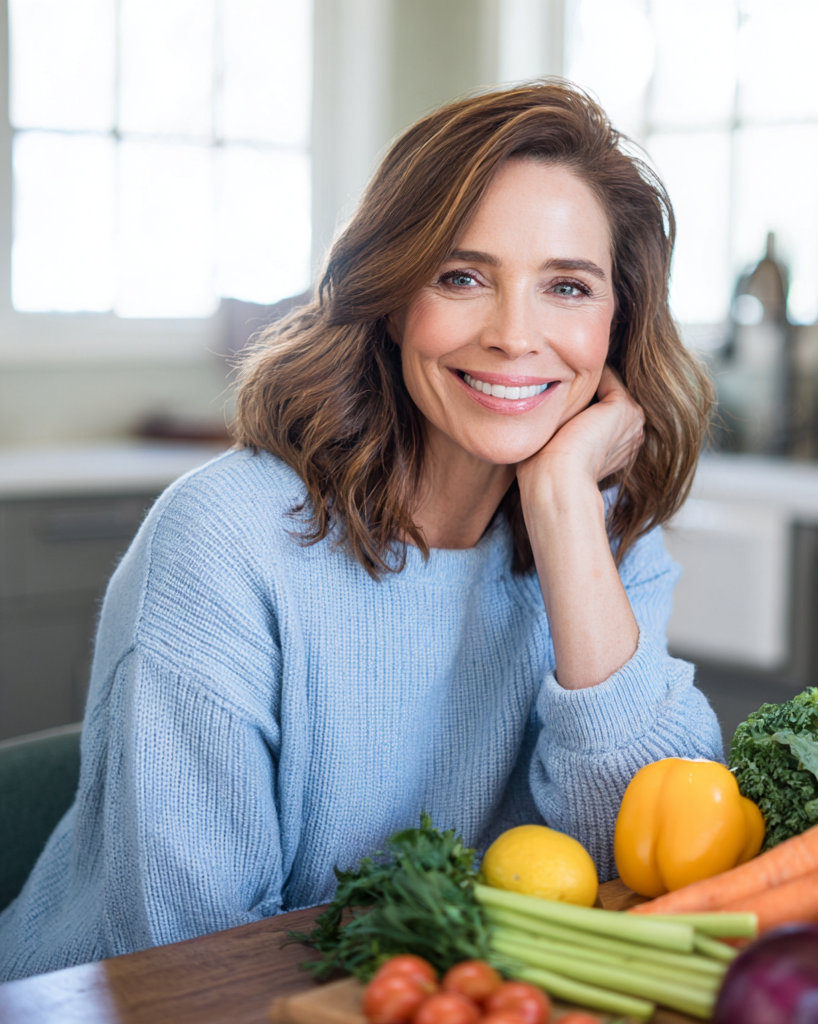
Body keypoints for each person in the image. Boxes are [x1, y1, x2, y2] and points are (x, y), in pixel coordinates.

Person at [0, 81, 722, 981]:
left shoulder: (598, 530)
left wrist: (567, 509)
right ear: (388, 293)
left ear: (617, 323)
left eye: (567, 287)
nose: (513, 335)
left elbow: (653, 874)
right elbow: (188, 959)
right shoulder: (226, 542)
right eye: (462, 276)